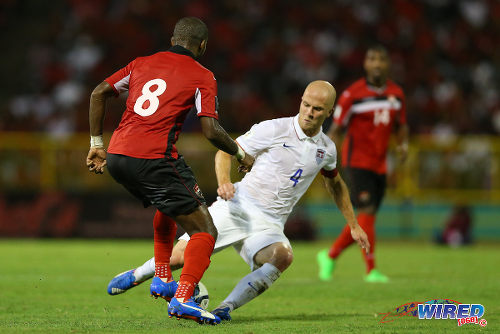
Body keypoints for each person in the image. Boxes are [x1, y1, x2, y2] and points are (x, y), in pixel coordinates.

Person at [106, 80, 370, 321]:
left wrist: (354, 224)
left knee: (282, 257)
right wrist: (224, 182)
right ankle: (138, 274)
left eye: (317, 109)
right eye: (306, 104)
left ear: (329, 112)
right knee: (178, 259)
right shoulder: (275, 128)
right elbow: (226, 151)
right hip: (240, 207)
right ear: (300, 101)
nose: (309, 112)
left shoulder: (327, 148)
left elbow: (335, 182)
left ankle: (226, 308)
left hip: (271, 224)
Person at [86, 17, 254, 325]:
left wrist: (97, 143)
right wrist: (241, 153)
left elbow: (99, 93)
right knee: (205, 230)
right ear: (202, 45)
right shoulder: (203, 75)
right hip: (154, 158)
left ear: (173, 38)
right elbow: (211, 130)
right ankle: (181, 298)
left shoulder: (141, 63)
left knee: (170, 205)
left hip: (118, 156)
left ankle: (162, 277)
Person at [317, 45, 409, 283]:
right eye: (372, 59)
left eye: (381, 59)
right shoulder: (352, 95)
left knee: (367, 218)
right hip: (356, 161)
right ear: (365, 64)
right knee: (366, 212)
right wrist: (325, 155)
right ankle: (371, 270)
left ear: (387, 64)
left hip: (380, 164)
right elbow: (336, 129)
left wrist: (403, 144)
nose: (376, 63)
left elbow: (401, 125)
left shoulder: (396, 94)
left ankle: (330, 255)